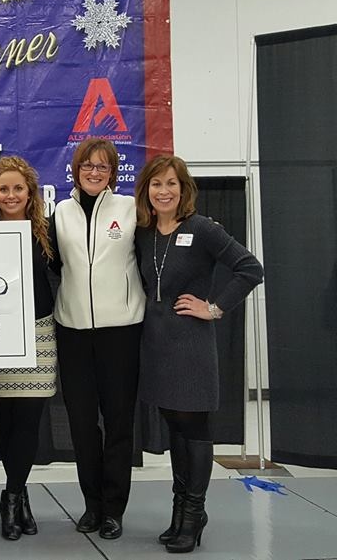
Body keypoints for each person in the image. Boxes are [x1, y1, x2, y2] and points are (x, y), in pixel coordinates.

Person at [133, 155, 262, 553]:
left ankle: (194, 513)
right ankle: (180, 510)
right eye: (156, 184)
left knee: (194, 430)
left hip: (191, 345)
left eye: (171, 183)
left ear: (184, 188)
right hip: (156, 346)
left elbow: (250, 268)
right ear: (146, 191)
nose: (164, 191)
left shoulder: (202, 228)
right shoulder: (143, 232)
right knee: (175, 429)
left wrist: (214, 307)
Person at [49, 138, 144, 540]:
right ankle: (92, 505)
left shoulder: (130, 209)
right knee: (83, 425)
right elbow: (48, 261)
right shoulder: (60, 212)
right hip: (72, 331)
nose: (94, 172)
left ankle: (114, 509)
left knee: (119, 423)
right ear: (76, 169)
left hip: (121, 331)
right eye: (87, 165)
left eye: (102, 166)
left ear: (112, 173)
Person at [0, 156, 56, 541]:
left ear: (30, 193)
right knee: (5, 421)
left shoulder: (47, 232)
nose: (10, 195)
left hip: (38, 332)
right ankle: (19, 495)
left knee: (28, 421)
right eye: (3, 189)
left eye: (18, 188)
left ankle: (10, 495)